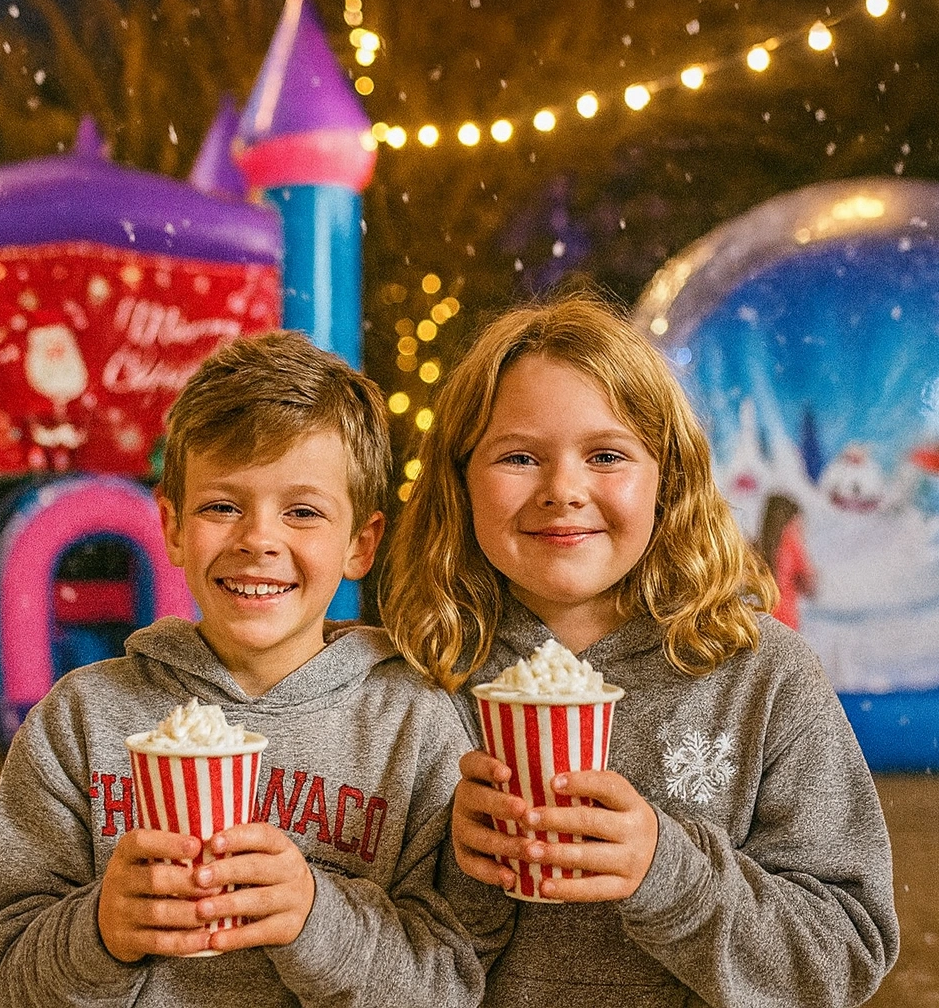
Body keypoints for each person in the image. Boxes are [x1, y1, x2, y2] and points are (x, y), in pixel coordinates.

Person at [381, 295, 898, 1008]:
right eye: (520, 456)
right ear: (460, 480)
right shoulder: (414, 677)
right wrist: (459, 874)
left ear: (668, 477)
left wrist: (668, 873)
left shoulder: (763, 678)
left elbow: (842, 954)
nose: (564, 490)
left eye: (606, 455)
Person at [0, 331, 484, 1008]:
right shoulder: (81, 720)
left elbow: (454, 984)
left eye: (302, 511)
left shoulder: (416, 727)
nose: (258, 539)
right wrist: (100, 932)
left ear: (361, 543)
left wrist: (314, 919)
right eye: (222, 507)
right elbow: (4, 970)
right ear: (173, 527)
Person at [757, 493, 815, 631]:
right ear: (789, 522)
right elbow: (810, 586)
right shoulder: (791, 546)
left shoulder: (755, 548)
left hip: (760, 624)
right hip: (786, 625)